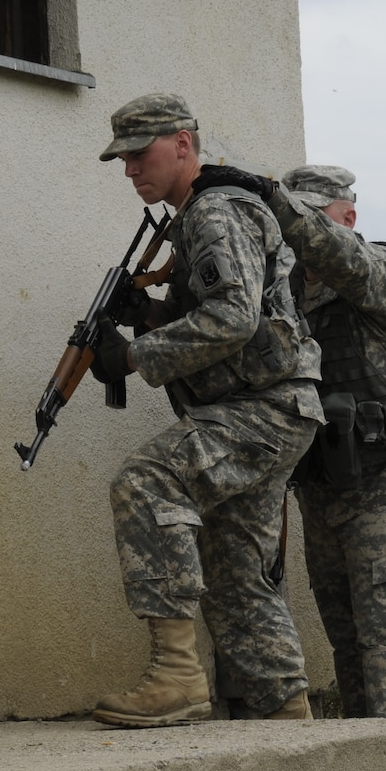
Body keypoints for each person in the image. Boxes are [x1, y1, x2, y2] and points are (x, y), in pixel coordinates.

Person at [86, 92, 323, 726]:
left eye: (141, 154)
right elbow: (241, 312)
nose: (131, 169)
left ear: (184, 145)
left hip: (263, 408)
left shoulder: (214, 212)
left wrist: (134, 357)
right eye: (123, 159)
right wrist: (155, 317)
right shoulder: (205, 212)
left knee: (145, 480)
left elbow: (234, 318)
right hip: (276, 406)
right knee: (239, 568)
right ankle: (287, 715)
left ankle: (177, 677)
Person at [264, 166, 386, 720]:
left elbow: (336, 253)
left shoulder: (381, 269)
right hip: (323, 492)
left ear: (348, 218)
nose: (300, 232)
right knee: (350, 661)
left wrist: (269, 197)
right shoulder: (289, 292)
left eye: (316, 218)